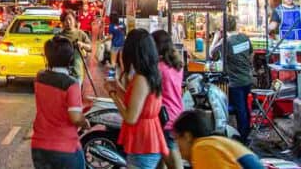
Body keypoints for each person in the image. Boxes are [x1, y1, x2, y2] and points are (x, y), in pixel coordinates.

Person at [105, 29, 168, 169]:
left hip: (142, 142)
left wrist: (112, 94)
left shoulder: (141, 78)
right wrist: (116, 86)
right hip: (150, 137)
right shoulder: (152, 72)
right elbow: (134, 100)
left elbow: (130, 117)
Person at [31, 36, 90, 168]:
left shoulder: (39, 78)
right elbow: (75, 118)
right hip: (65, 148)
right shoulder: (71, 84)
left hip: (39, 146)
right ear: (70, 59)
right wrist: (84, 122)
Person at [172, 110, 264, 169]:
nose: (177, 146)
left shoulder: (202, 148)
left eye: (176, 139)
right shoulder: (210, 143)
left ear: (187, 136)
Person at [211, 16, 254, 141]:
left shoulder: (226, 42)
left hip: (235, 82)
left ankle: (242, 137)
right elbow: (251, 54)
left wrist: (216, 38)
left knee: (239, 109)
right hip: (247, 78)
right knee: (245, 107)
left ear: (223, 27)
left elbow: (212, 54)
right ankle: (246, 132)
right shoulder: (245, 38)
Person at [151, 30, 184, 169]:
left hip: (165, 117)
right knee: (163, 157)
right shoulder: (177, 65)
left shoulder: (159, 68)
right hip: (177, 113)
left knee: (172, 160)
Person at [59, 10, 92, 84]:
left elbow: (90, 48)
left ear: (74, 20)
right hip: (63, 73)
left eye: (70, 19)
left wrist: (82, 45)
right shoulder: (59, 36)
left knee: (76, 94)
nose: (68, 22)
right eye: (65, 20)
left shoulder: (81, 34)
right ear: (62, 22)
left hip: (77, 72)